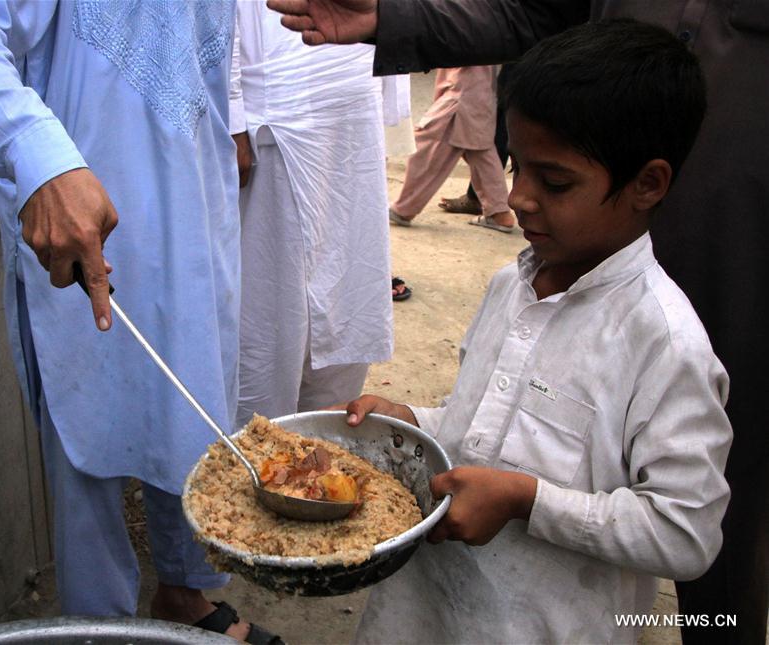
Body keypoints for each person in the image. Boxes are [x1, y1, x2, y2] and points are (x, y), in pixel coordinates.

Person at [269, 1, 769, 642]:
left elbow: (686, 532)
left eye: (554, 182)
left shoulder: (664, 344)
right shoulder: (512, 284)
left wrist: (526, 502)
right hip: (427, 617)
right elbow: (483, 425)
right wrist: (416, 422)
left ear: (648, 184)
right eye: (514, 168)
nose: (518, 198)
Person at [0, 1, 281, 642]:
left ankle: (183, 598)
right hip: (79, 224)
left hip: (194, 207)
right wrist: (36, 153)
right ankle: (100, 629)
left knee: (188, 411)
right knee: (87, 444)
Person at [230, 1, 394, 432]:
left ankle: (326, 440)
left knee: (348, 284)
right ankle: (257, 448)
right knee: (269, 306)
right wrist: (230, 112)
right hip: (274, 99)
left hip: (354, 85)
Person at [388, 65, 514, 233]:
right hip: (476, 91)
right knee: (480, 151)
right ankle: (499, 212)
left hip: (464, 89)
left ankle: (404, 209)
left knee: (430, 141)